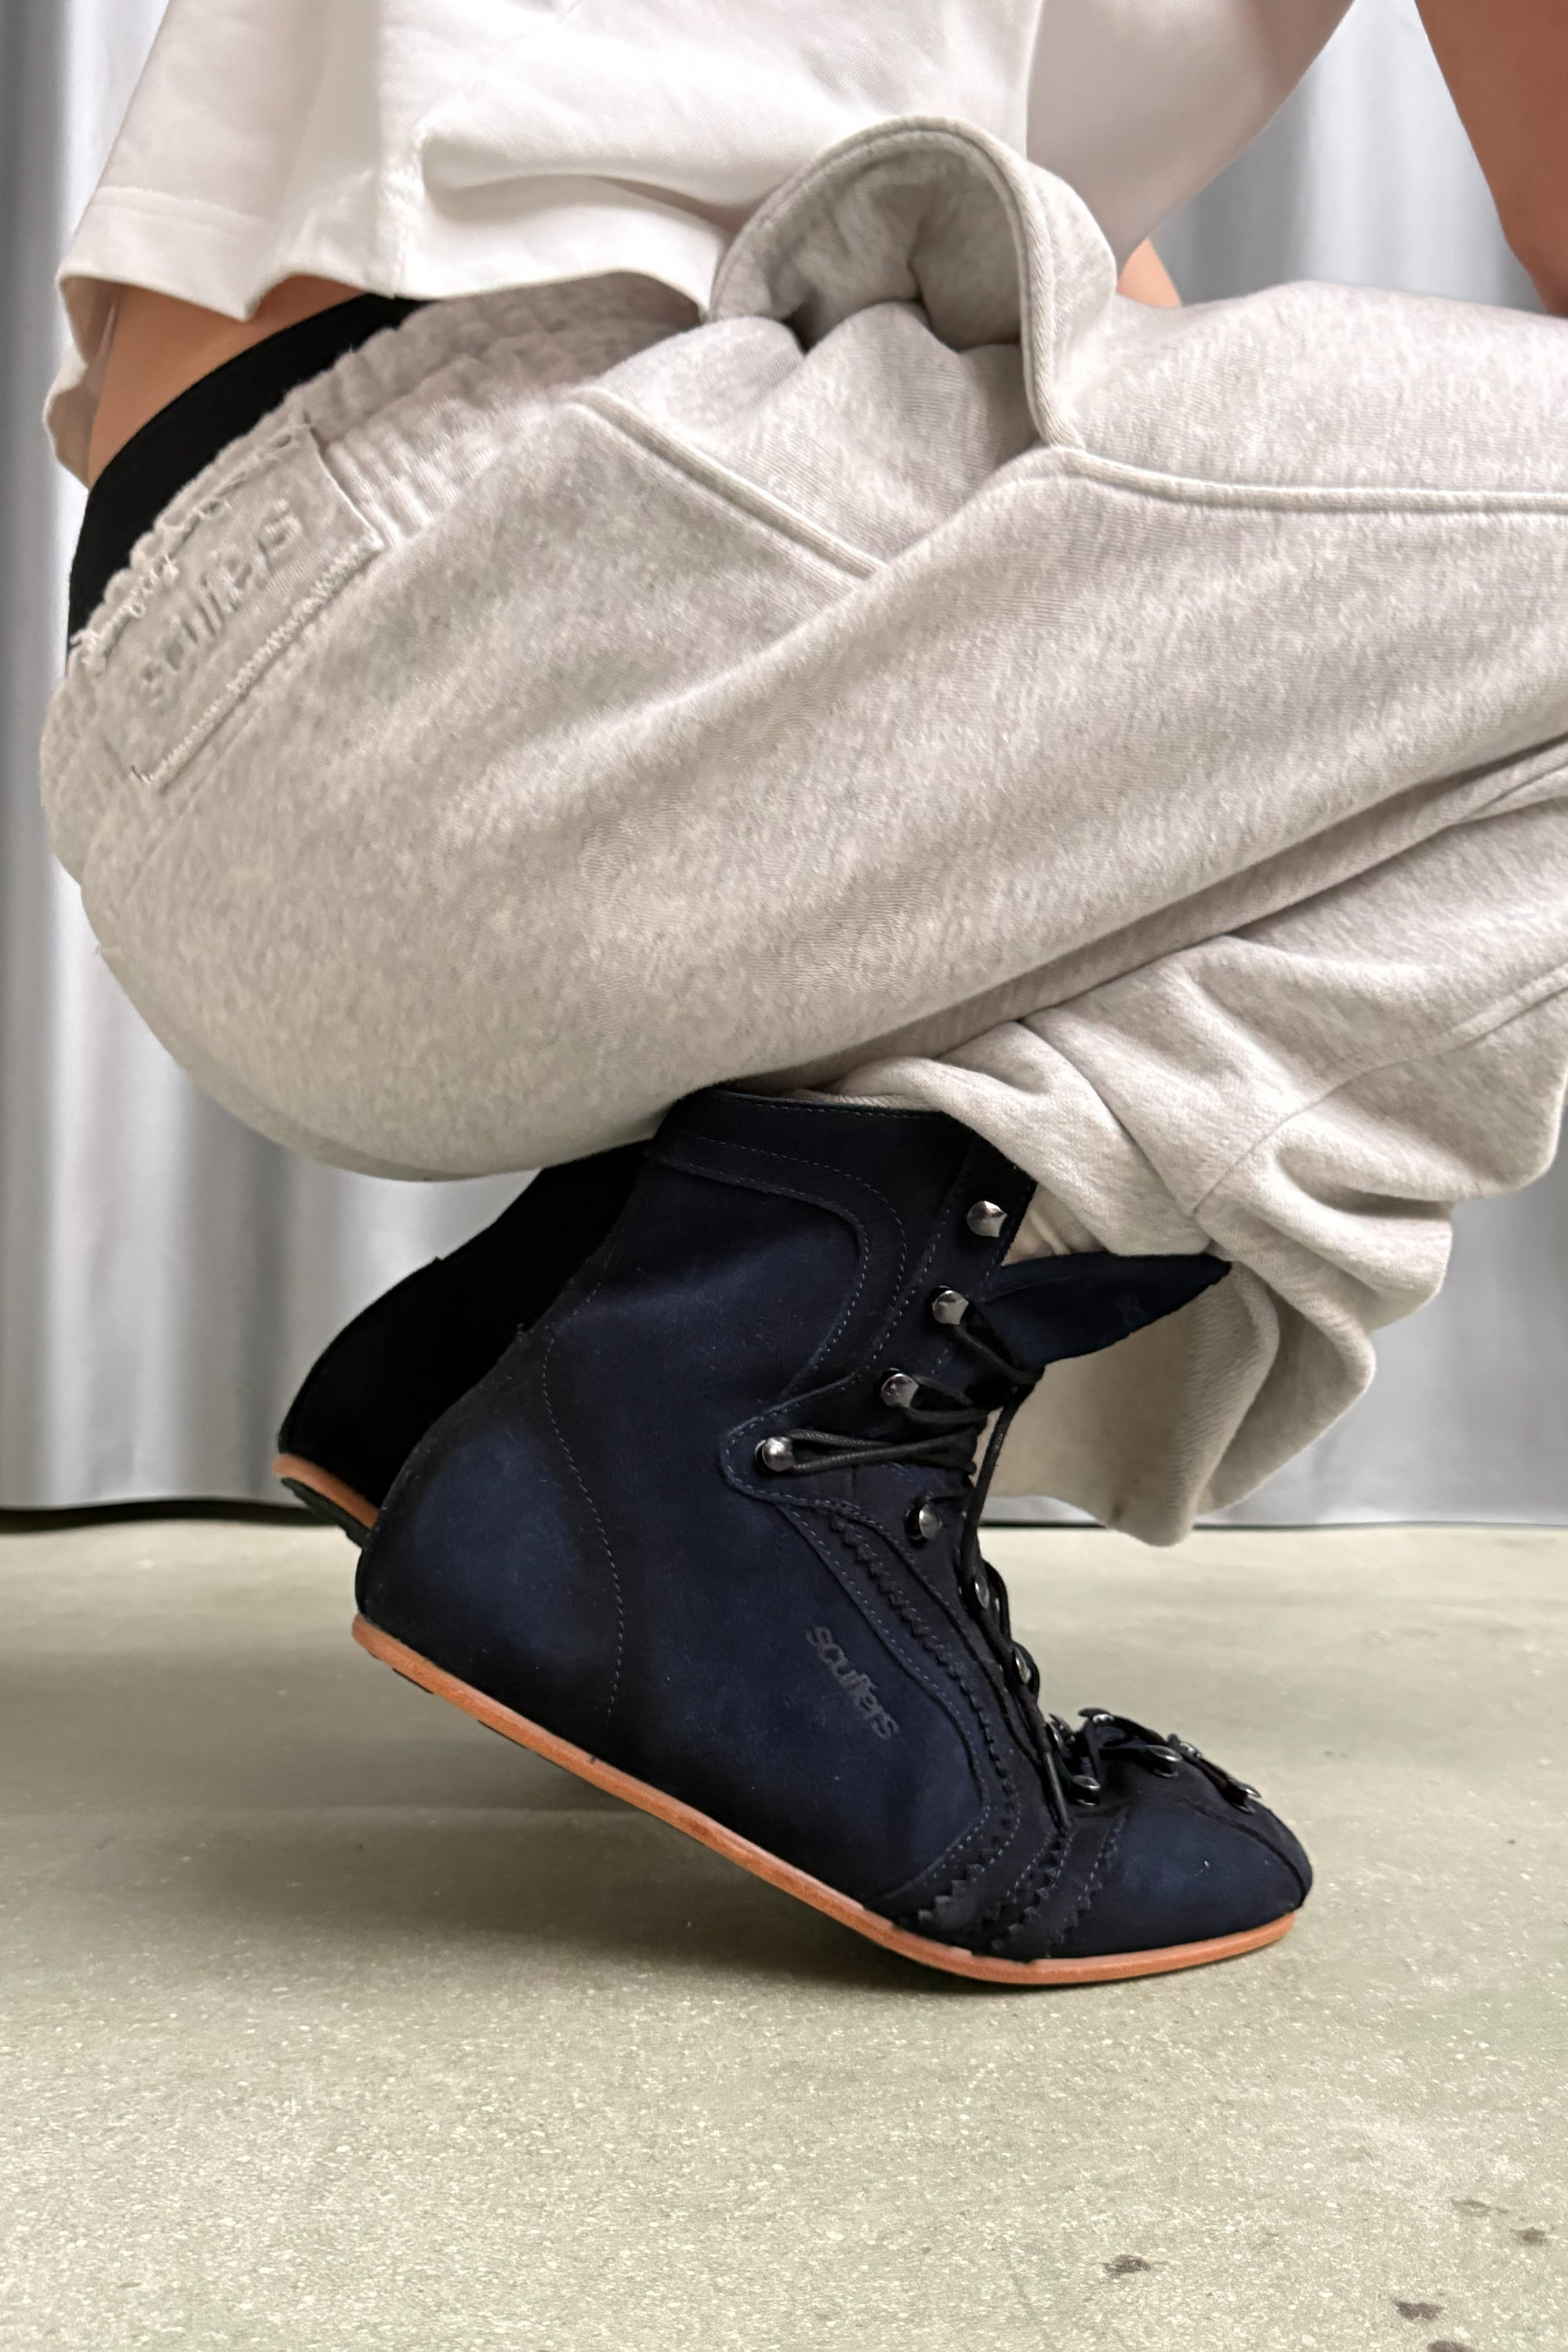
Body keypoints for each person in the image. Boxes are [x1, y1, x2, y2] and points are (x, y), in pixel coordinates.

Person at [41, 0, 1568, 1985]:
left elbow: (1098, 418)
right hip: (524, 573)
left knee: (1275, 712)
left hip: (212, 680)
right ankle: (731, 1407)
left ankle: (572, 1344)